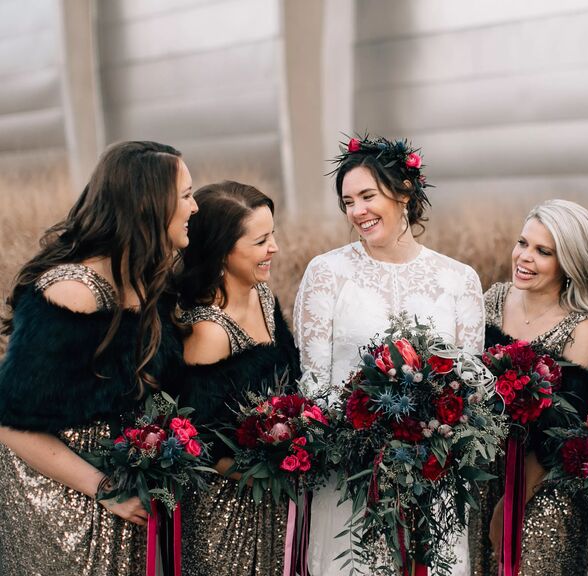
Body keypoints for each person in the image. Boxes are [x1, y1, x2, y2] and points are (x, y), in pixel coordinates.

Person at [0, 141, 195, 576]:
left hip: (122, 494)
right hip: (65, 507)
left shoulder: (146, 277)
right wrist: (105, 488)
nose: (195, 206)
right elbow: (12, 425)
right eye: (185, 195)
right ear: (149, 203)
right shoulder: (73, 291)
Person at [294, 135, 485, 576]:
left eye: (367, 196)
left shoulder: (458, 280)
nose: (356, 211)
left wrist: (426, 438)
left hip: (432, 476)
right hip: (351, 477)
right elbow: (314, 382)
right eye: (347, 201)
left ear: (404, 193)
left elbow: (469, 384)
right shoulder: (327, 273)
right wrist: (365, 440)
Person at [476, 199, 588, 575]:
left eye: (543, 251)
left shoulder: (583, 329)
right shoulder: (493, 299)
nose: (524, 257)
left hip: (542, 491)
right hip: (483, 474)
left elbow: (563, 433)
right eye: (523, 243)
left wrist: (513, 503)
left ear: (570, 262)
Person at [174, 181, 300, 576]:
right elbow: (199, 443)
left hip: (276, 501)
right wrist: (275, 472)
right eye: (261, 241)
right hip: (225, 516)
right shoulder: (209, 332)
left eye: (273, 235)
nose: (274, 249)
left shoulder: (263, 295)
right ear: (223, 252)